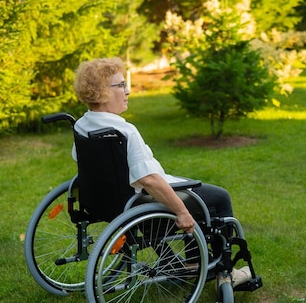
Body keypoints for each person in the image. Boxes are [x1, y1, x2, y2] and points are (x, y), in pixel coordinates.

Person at [72, 57, 249, 286]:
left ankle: (192, 263)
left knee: (193, 193)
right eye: (121, 85)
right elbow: (150, 180)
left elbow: (82, 161)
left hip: (104, 201)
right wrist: (182, 211)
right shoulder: (124, 131)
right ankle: (225, 272)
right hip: (139, 200)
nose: (128, 91)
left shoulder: (83, 125)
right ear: (103, 91)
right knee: (218, 198)